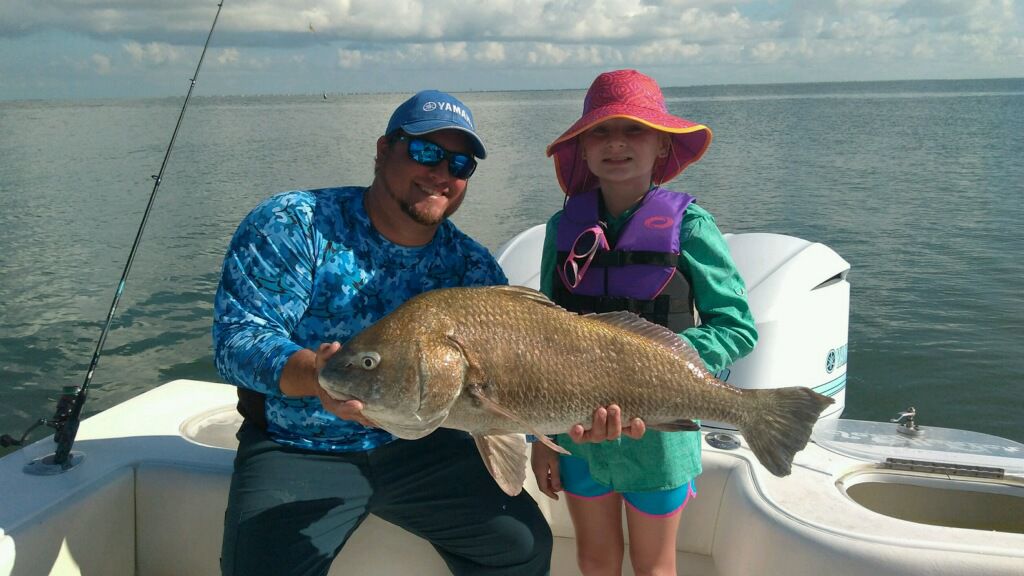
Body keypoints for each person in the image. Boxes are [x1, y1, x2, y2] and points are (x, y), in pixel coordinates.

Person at [212, 89, 637, 576]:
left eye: (460, 164)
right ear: (382, 149)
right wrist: (316, 376)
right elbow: (236, 342)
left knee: (521, 547)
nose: (442, 173)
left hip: (426, 444)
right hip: (299, 445)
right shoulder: (295, 224)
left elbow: (512, 384)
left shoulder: (472, 267)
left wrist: (567, 422)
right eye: (425, 152)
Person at [529, 69, 758, 576]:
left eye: (634, 130)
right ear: (583, 150)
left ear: (661, 145)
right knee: (595, 559)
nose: (616, 143)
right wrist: (538, 441)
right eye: (600, 132)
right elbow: (540, 344)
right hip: (575, 431)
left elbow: (737, 325)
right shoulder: (560, 229)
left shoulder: (692, 226)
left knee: (654, 567)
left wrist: (665, 357)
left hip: (661, 436)